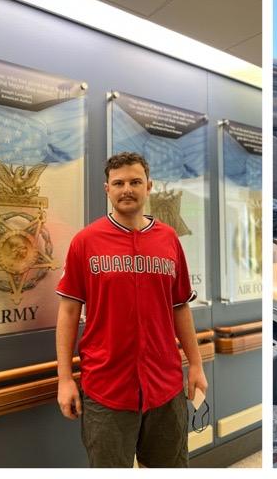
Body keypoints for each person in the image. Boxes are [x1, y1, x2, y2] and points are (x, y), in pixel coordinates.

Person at [55, 152, 207, 468]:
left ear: (148, 186)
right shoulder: (86, 241)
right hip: (106, 387)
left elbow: (180, 307)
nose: (127, 189)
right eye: (119, 182)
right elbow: (69, 312)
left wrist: (195, 364)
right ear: (106, 189)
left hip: (164, 385)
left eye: (135, 181)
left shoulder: (168, 239)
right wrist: (65, 378)